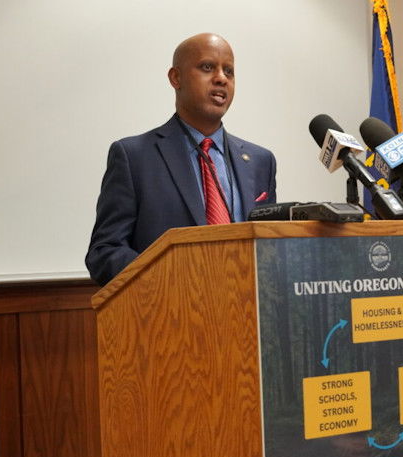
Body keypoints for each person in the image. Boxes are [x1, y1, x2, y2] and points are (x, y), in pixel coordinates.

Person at [86, 33, 277, 286]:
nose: (221, 78)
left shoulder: (260, 161)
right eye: (207, 67)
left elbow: (271, 248)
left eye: (229, 71)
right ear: (176, 78)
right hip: (170, 313)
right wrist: (169, 280)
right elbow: (105, 251)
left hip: (246, 313)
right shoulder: (134, 157)